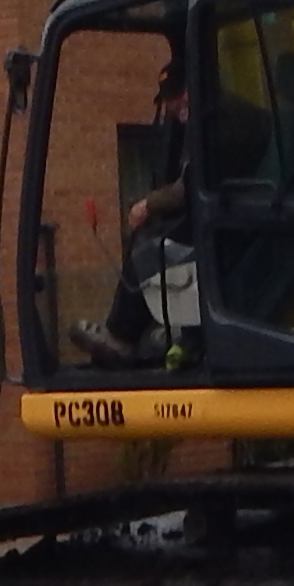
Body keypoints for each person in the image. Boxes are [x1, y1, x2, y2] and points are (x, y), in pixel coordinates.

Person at [68, 58, 194, 369]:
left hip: (217, 219)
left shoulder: (214, 124)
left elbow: (189, 187)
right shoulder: (202, 123)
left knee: (148, 243)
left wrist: (147, 205)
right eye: (169, 102)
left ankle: (120, 335)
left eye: (176, 99)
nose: (173, 109)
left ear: (189, 93)